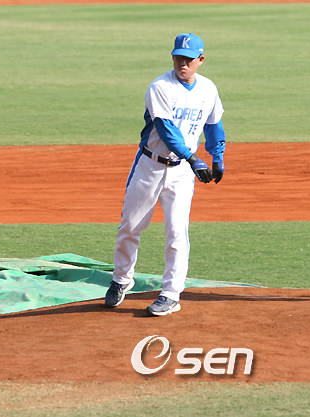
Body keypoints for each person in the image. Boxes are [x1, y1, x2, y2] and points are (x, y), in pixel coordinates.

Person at [105, 33, 226, 316]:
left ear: (200, 60)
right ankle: (121, 279)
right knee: (130, 227)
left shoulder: (208, 88)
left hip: (182, 173)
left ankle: (171, 294)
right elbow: (166, 130)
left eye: (188, 59)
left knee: (176, 232)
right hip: (150, 166)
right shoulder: (160, 87)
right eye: (178, 58)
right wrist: (193, 158)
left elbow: (214, 124)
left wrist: (218, 156)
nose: (182, 64)